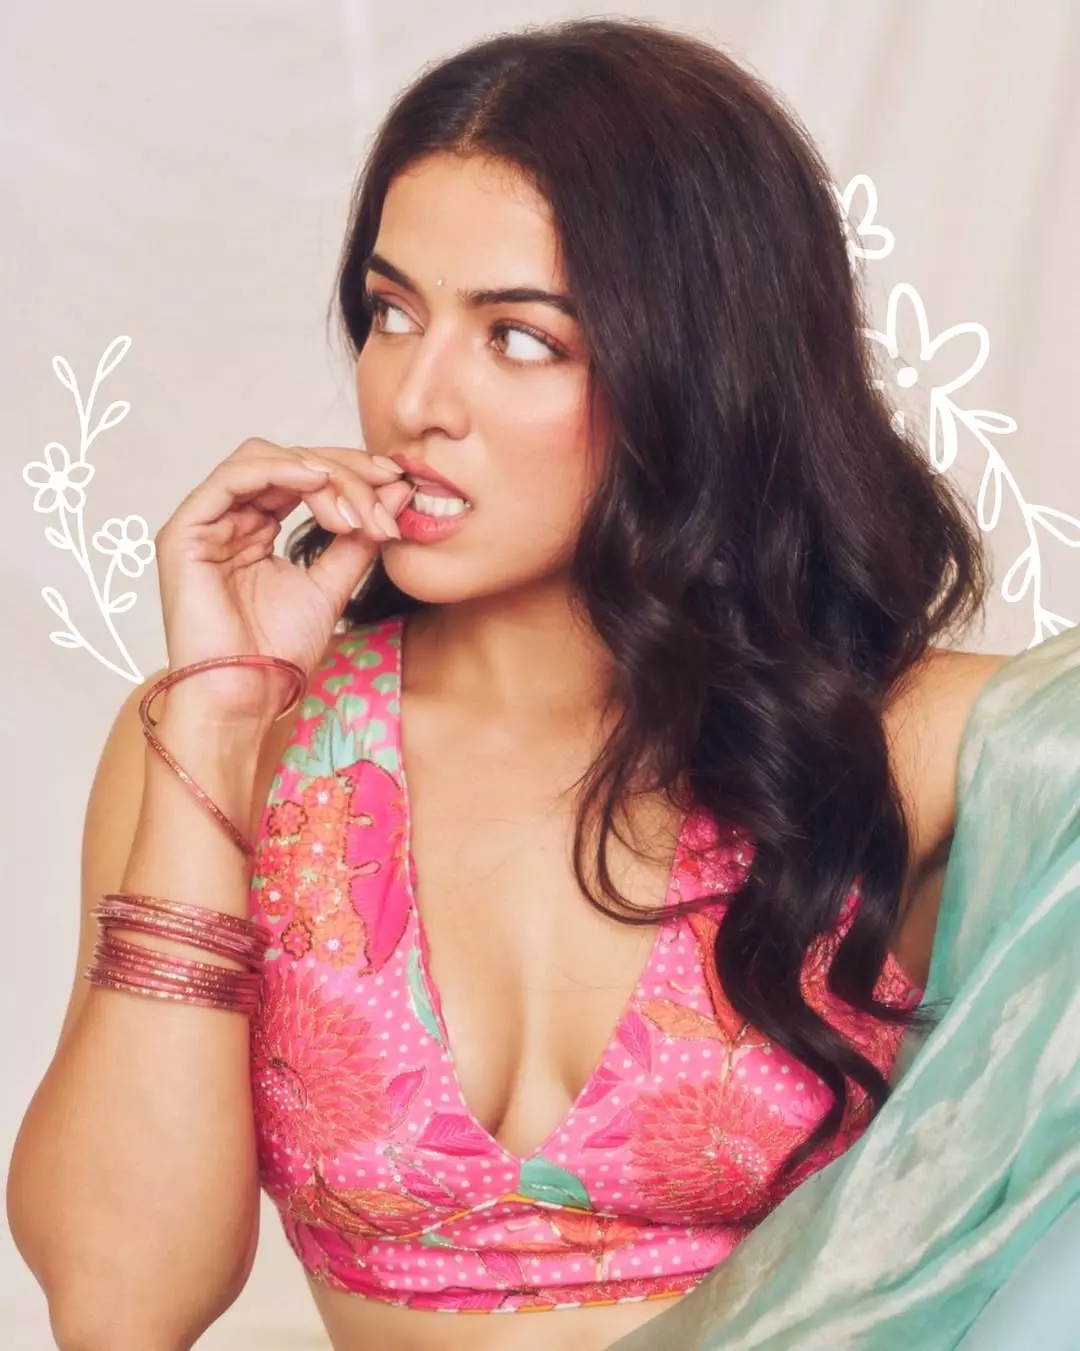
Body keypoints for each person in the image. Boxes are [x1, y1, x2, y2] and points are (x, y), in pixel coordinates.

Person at [7, 16, 1015, 1351]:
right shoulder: (228, 741)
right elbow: (119, 1306)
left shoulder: (920, 744)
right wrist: (219, 711)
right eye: (392, 314)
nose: (417, 397)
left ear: (700, 369)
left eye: (521, 339)